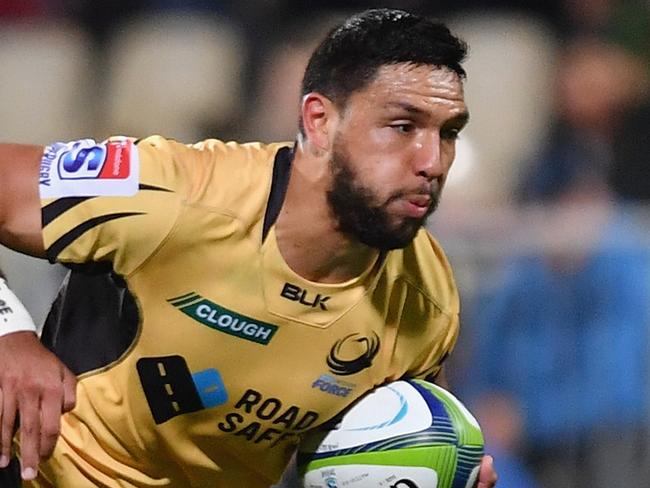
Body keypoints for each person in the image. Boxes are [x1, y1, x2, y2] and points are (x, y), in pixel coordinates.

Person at [0, 9, 497, 487]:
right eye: (403, 127)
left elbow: (396, 443)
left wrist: (443, 471)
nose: (432, 161)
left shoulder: (426, 298)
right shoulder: (176, 193)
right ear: (320, 121)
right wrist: (8, 333)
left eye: (448, 132)